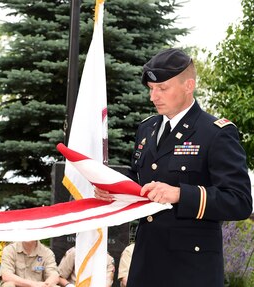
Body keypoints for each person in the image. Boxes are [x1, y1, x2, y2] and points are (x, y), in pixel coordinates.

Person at [94, 48, 252, 287]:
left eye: (162, 88)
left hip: (190, 270)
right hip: (146, 263)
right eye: (151, 89)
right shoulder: (146, 129)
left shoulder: (216, 133)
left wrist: (180, 194)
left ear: (189, 86)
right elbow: (140, 180)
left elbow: (239, 201)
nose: (153, 96)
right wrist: (113, 188)